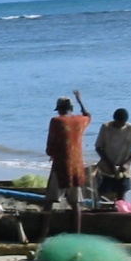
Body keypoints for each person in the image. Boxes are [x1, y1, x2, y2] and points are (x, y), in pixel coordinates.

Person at [40, 91, 92, 240]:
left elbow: (50, 147)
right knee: (75, 203)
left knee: (49, 201)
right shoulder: (81, 120)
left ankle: (43, 234)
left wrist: (51, 153)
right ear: (72, 108)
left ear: (59, 109)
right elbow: (89, 115)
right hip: (77, 167)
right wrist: (80, 100)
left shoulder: (56, 121)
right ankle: (77, 235)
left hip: (61, 166)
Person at [95, 108, 131, 201]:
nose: (121, 125)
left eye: (123, 123)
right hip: (106, 168)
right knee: (101, 193)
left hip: (123, 170)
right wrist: (110, 164)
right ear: (114, 120)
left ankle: (120, 212)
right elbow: (98, 148)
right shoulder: (106, 127)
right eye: (119, 123)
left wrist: (127, 163)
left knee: (121, 195)